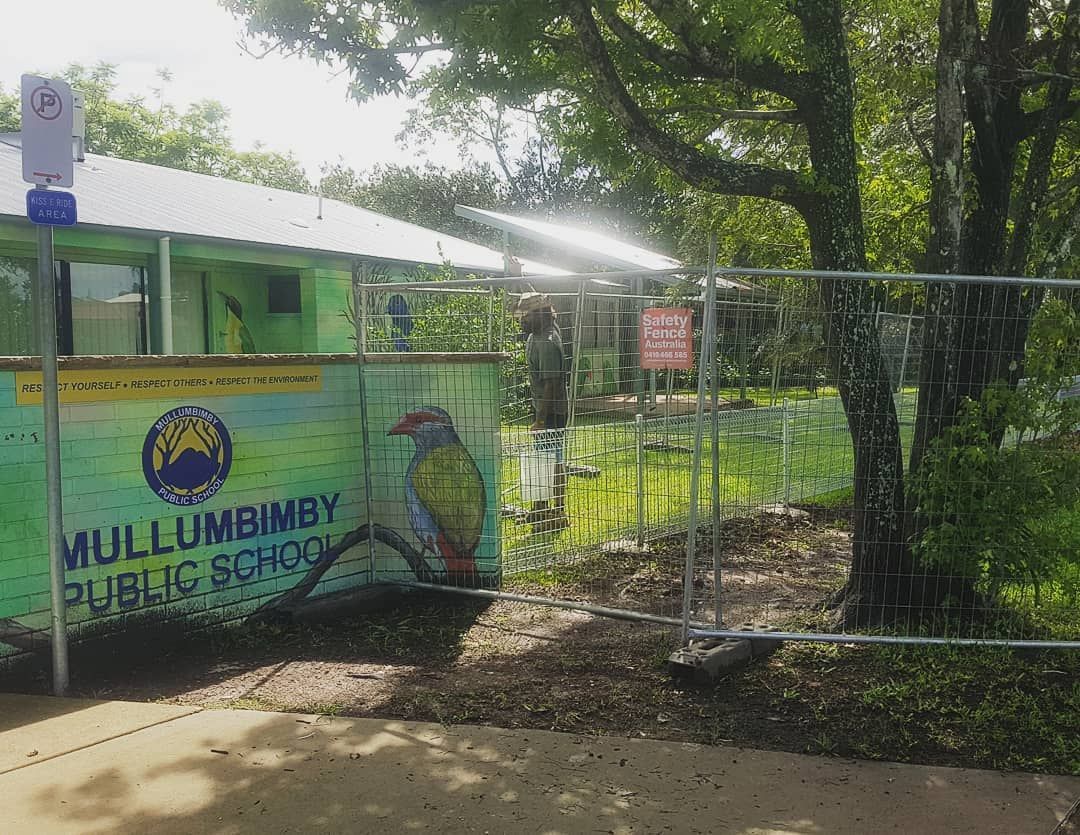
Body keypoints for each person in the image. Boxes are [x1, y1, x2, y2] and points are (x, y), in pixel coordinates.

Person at [512, 292, 570, 532]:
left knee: (553, 461)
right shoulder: (536, 334)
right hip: (541, 409)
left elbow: (551, 383)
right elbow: (538, 296)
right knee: (540, 460)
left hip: (551, 411)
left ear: (540, 314)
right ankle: (540, 509)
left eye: (526, 316)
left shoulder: (546, 341)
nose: (521, 320)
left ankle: (557, 512)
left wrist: (541, 420)